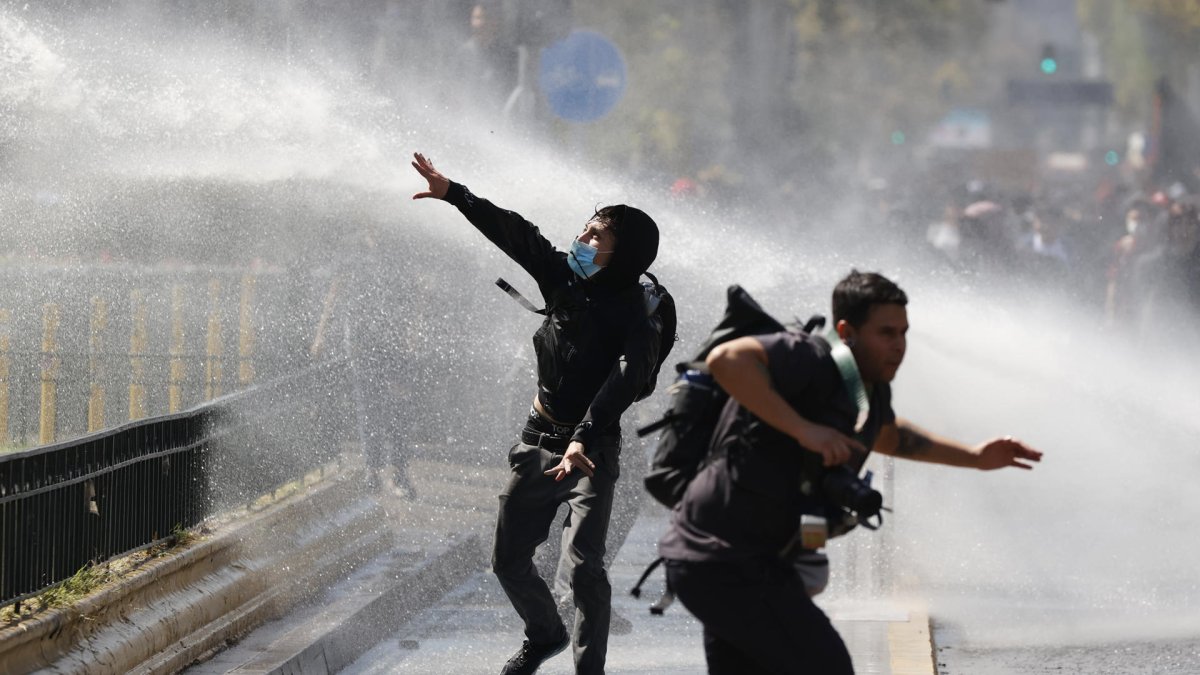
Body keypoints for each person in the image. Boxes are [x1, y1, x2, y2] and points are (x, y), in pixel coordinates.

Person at [658, 270, 1043, 674]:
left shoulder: (869, 387)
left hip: (754, 562)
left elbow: (891, 438)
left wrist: (976, 456)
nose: (899, 346)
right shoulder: (809, 355)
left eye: (903, 333)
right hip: (722, 558)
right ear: (847, 330)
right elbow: (727, 359)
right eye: (886, 333)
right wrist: (805, 430)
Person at [410, 152, 664, 675]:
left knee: (585, 569)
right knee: (507, 561)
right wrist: (454, 193)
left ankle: (587, 668)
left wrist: (585, 436)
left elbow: (627, 380)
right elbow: (516, 233)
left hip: (590, 448)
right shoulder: (563, 280)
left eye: (598, 238)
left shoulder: (637, 312)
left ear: (626, 254)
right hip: (537, 440)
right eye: (586, 231)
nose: (585, 242)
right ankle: (544, 634)